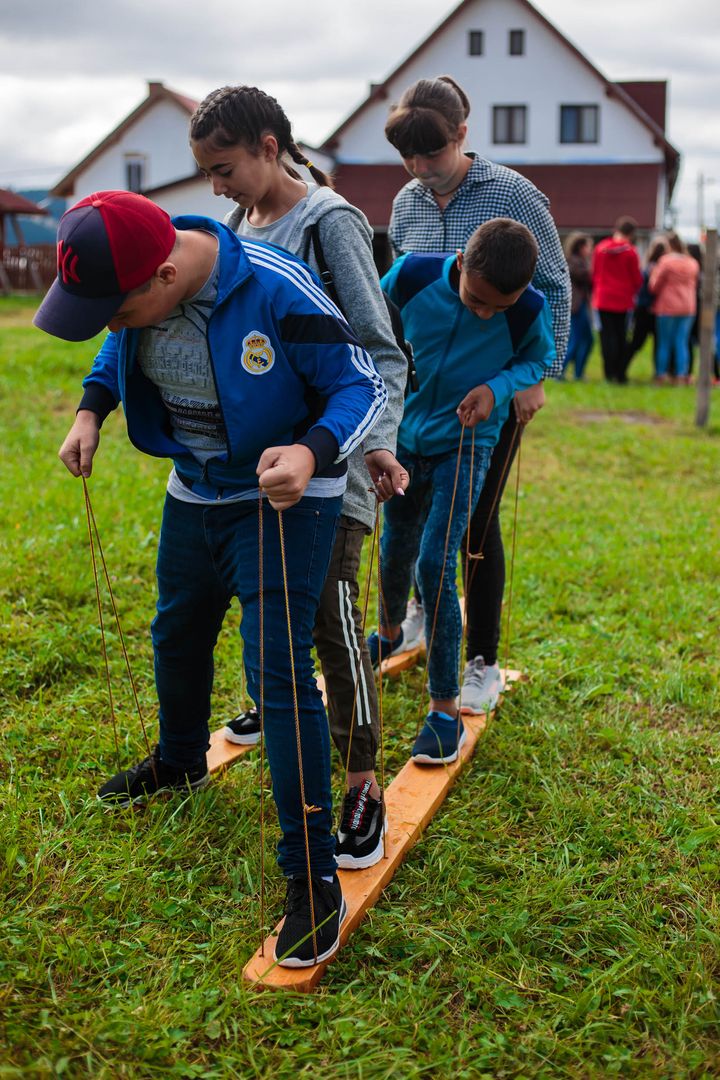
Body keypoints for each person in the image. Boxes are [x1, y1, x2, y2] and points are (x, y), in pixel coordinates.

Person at [34, 190, 387, 968]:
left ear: (162, 277)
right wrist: (92, 409)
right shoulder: (137, 294)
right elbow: (112, 348)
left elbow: (362, 381)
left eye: (114, 309)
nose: (109, 323)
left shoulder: (276, 285)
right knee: (178, 628)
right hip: (194, 490)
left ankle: (312, 875)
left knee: (278, 670)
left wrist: (312, 451)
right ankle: (180, 757)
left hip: (282, 500)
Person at [189, 85, 408, 871]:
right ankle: (281, 712)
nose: (216, 186)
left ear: (269, 147)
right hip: (259, 474)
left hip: (335, 466)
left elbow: (379, 352)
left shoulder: (330, 222)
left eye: (225, 167)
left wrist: (373, 444)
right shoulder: (236, 229)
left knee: (329, 614)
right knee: (267, 606)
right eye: (207, 173)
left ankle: (362, 780)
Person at [384, 75, 569, 713]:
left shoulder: (514, 195)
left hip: (490, 399)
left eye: (431, 155)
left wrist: (536, 378)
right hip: (418, 396)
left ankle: (481, 660)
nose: (419, 169)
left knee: (473, 524)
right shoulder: (407, 202)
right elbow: (396, 293)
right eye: (407, 157)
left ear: (463, 134)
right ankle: (416, 615)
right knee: (410, 516)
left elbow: (555, 290)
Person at [367, 219, 555, 762]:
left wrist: (496, 389)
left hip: (467, 445)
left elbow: (537, 360)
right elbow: (369, 326)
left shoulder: (527, 309)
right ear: (461, 261)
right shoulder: (411, 275)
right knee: (396, 544)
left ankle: (443, 712)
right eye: (476, 300)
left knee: (434, 562)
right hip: (402, 437)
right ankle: (391, 630)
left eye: (498, 308)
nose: (484, 314)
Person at [591, 215, 643, 383]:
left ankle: (608, 373)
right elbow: (636, 279)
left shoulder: (600, 248)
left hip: (603, 298)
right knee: (621, 336)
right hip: (623, 300)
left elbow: (595, 273)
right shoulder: (631, 252)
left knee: (606, 337)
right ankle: (619, 373)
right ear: (632, 233)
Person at [648, 232, 700, 385]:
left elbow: (654, 286)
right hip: (688, 307)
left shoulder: (665, 262)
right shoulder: (692, 263)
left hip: (667, 307)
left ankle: (661, 374)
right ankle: (681, 374)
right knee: (682, 342)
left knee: (664, 342)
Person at [625, 236, 668, 377]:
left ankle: (621, 367)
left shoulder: (647, 267)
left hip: (643, 309)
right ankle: (659, 372)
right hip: (654, 309)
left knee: (637, 342)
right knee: (658, 342)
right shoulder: (660, 268)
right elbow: (652, 289)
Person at [563, 233, 593, 380]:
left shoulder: (579, 262)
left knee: (585, 339)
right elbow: (586, 276)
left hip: (579, 306)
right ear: (580, 247)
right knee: (577, 340)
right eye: (588, 246)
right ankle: (562, 372)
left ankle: (578, 373)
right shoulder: (574, 262)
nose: (590, 250)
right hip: (576, 307)